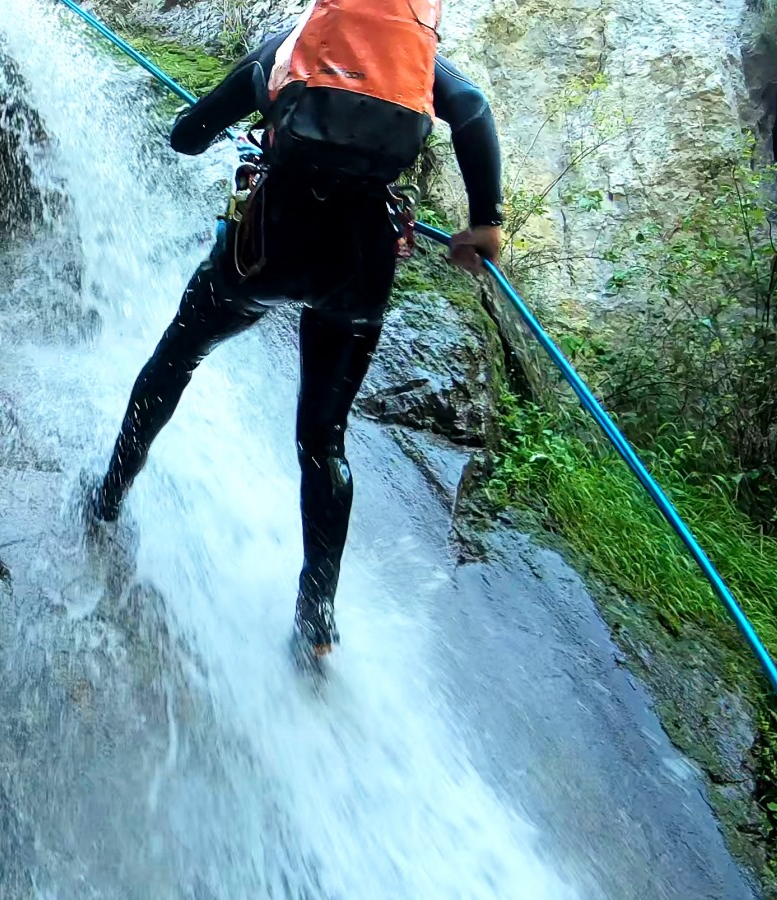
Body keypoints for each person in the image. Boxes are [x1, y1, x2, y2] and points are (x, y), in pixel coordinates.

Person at [86, 3, 505, 658]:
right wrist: (486, 223)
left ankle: (109, 494)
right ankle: (316, 618)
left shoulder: (294, 48)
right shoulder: (419, 65)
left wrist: (193, 129)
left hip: (271, 245)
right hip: (362, 262)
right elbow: (474, 110)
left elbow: (191, 133)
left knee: (178, 356)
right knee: (323, 438)